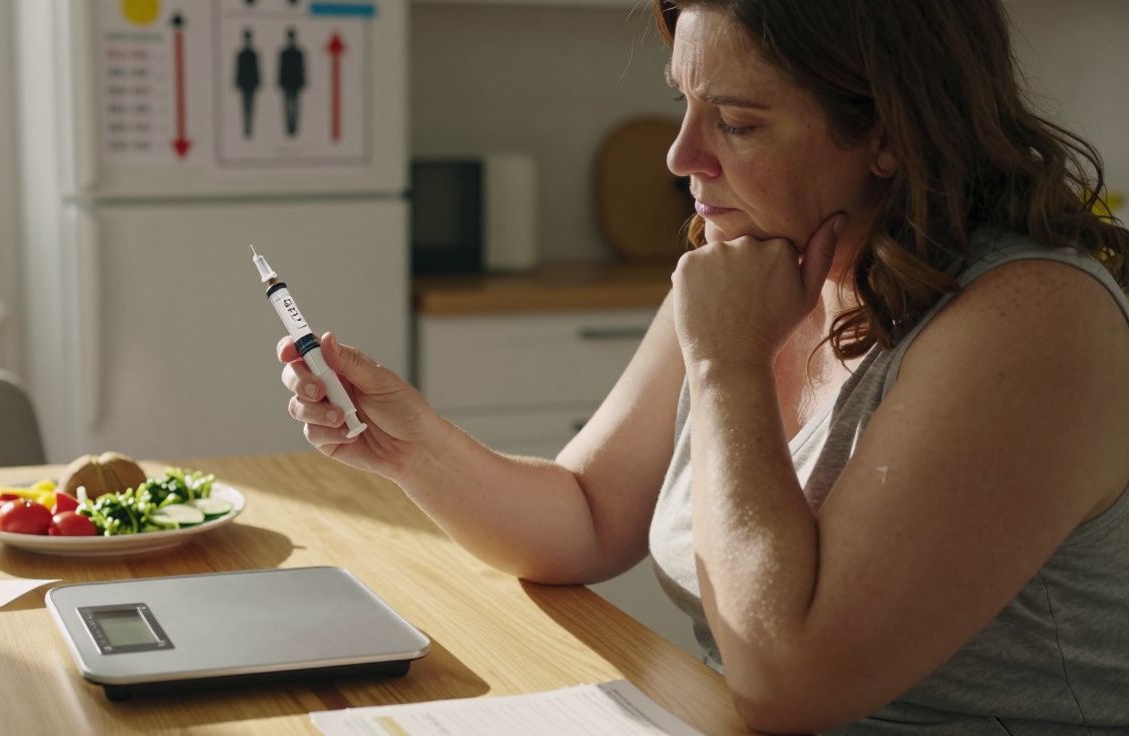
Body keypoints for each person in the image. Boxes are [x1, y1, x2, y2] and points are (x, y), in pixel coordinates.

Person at [276, 0, 1129, 732]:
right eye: (685, 104)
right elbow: (586, 513)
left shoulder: (1033, 322)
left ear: (889, 133)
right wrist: (412, 447)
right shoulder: (756, 261)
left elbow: (788, 681)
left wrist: (727, 364)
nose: (682, 156)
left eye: (738, 122)